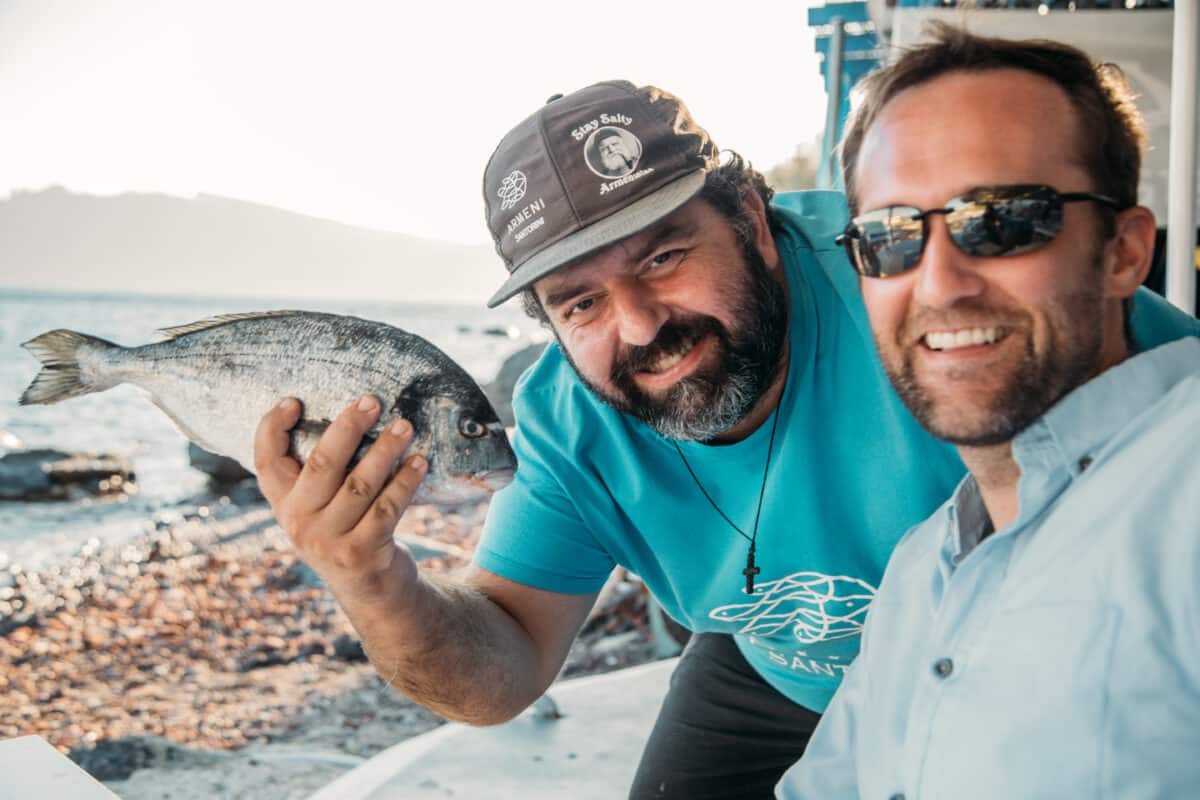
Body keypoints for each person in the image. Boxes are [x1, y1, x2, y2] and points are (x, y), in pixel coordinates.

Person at [253, 80, 1196, 798]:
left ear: (754, 217)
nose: (638, 325)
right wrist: (368, 578)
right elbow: (498, 671)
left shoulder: (910, 280)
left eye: (663, 257)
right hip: (776, 657)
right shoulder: (567, 421)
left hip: (1015, 648)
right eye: (579, 301)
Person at [778, 26, 1200, 800]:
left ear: (1124, 253)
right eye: (891, 236)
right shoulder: (919, 571)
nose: (940, 284)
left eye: (1001, 219)